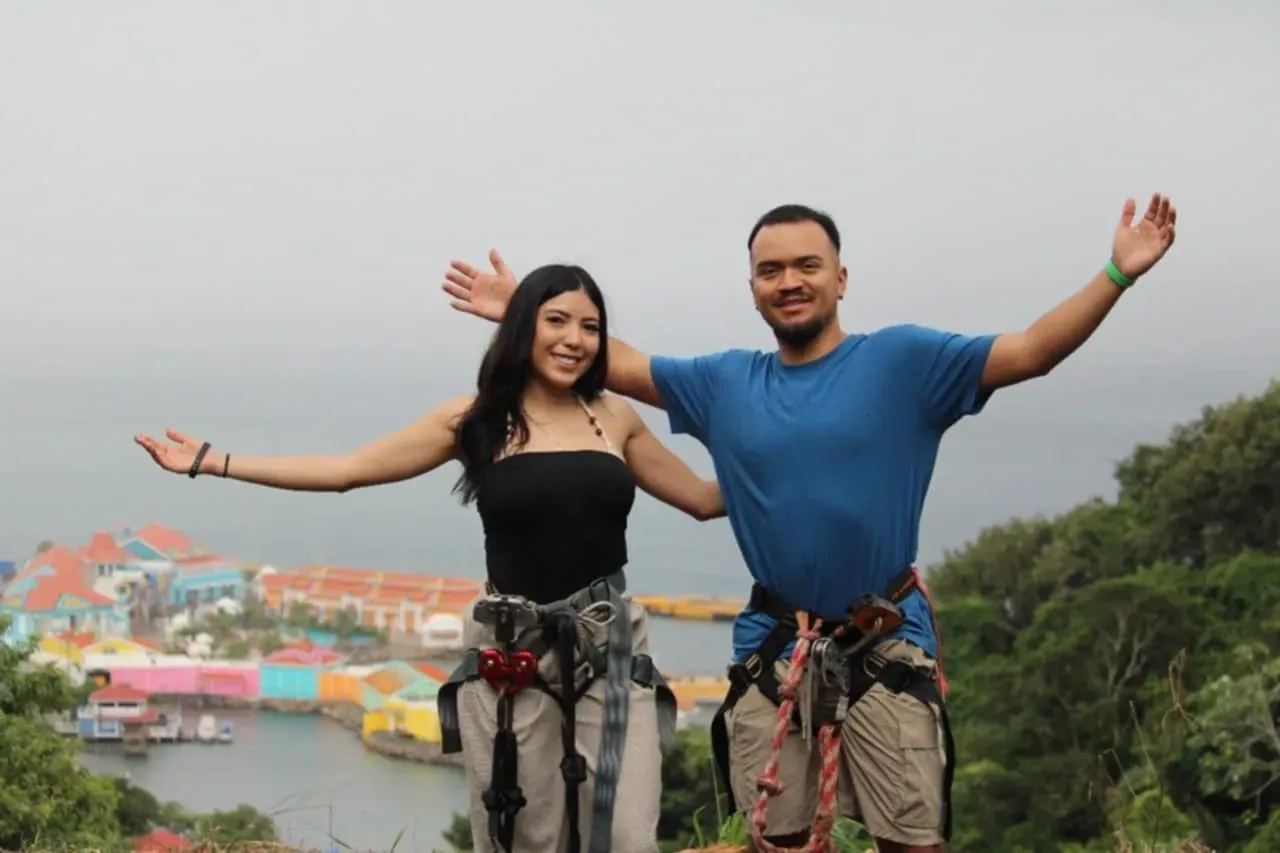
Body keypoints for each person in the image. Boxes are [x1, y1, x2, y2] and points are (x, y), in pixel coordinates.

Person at [439, 194, 1178, 853]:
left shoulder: (905, 361)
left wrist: (1117, 275)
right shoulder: (725, 381)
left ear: (840, 278)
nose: (789, 281)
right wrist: (522, 310)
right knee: (778, 838)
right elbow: (604, 355)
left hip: (884, 637)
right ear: (754, 289)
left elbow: (1031, 351)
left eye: (806, 265)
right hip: (775, 644)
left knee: (911, 837)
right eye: (770, 271)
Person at [135, 264, 726, 853]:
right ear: (523, 327)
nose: (574, 339)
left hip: (607, 642)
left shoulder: (614, 416)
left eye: (590, 327)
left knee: (625, 835)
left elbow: (702, 499)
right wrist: (218, 460)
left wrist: (800, 458)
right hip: (512, 649)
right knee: (524, 834)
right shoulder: (476, 420)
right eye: (557, 321)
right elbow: (346, 472)